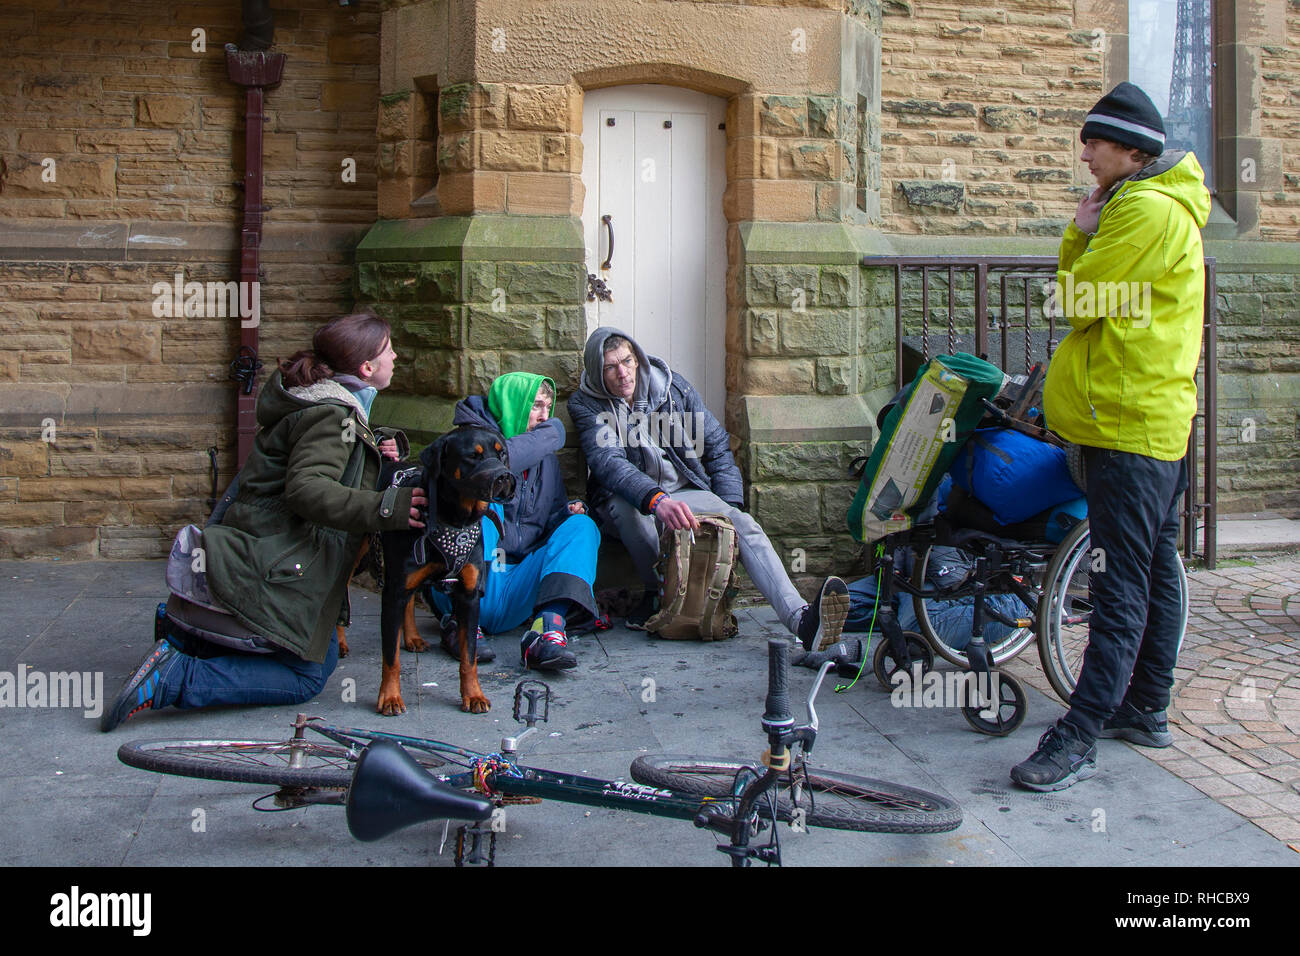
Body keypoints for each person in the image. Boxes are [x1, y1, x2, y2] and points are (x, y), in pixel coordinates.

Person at [1010, 82, 1210, 790]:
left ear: (1132, 149)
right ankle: (1145, 707)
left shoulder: (1147, 211)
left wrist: (1078, 233)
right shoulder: (1133, 206)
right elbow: (1084, 296)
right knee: (1150, 564)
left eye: (1094, 141)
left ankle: (1080, 731)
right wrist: (1084, 233)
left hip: (1131, 427)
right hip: (1131, 423)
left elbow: (1069, 299)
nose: (1084, 151)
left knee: (1118, 581)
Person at [100, 313, 426, 731]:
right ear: (366, 368)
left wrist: (372, 450)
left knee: (319, 655)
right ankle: (174, 676)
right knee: (306, 676)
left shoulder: (324, 403)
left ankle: (186, 636)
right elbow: (308, 488)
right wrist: (387, 507)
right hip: (276, 558)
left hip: (266, 545)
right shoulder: (334, 414)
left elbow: (326, 462)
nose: (395, 355)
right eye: (388, 350)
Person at [567, 326, 849, 649]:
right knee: (629, 511)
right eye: (611, 367)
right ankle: (661, 593)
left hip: (685, 490)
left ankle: (801, 620)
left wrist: (729, 506)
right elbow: (609, 464)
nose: (623, 373)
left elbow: (715, 444)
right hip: (630, 500)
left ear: (637, 358)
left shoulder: (672, 389)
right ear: (597, 371)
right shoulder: (586, 405)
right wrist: (657, 500)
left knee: (744, 525)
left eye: (627, 361)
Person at [430, 371, 600, 671]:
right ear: (513, 404)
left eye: (548, 407)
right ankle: (461, 624)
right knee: (476, 512)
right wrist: (551, 435)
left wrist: (567, 513)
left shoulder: (545, 458)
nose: (544, 416)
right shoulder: (470, 447)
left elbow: (551, 518)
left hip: (516, 583)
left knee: (582, 527)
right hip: (466, 579)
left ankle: (546, 631)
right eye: (536, 405)